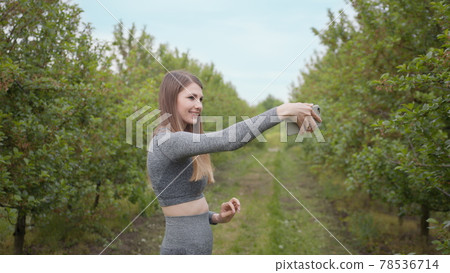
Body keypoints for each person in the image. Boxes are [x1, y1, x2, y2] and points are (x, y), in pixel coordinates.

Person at [147, 70, 321, 255]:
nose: (198, 105)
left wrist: (216, 217)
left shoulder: (180, 141)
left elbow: (182, 210)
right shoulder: (166, 141)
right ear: (171, 99)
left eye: (200, 99)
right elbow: (230, 140)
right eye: (191, 97)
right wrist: (282, 111)